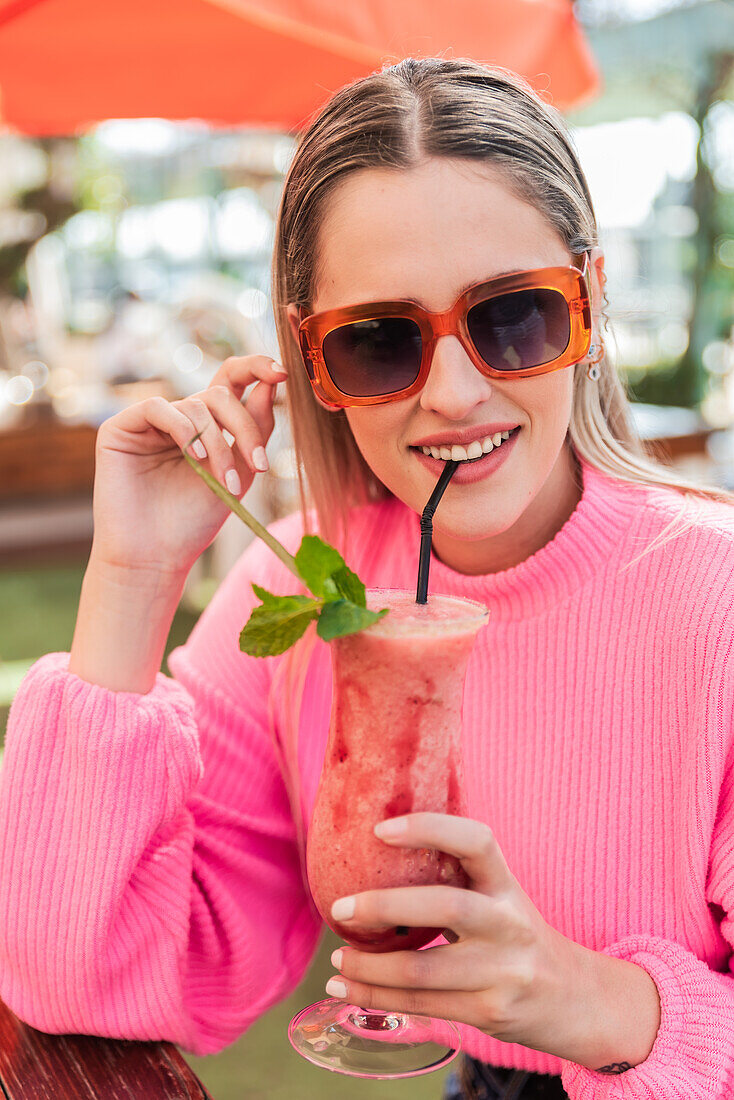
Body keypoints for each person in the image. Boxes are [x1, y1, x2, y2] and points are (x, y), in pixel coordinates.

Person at [1, 57, 733, 1100]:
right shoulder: (305, 589)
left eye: (512, 315)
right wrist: (132, 573)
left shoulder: (714, 600)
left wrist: (593, 1002)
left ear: (588, 302)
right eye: (380, 341)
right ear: (312, 360)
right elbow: (73, 970)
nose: (451, 392)